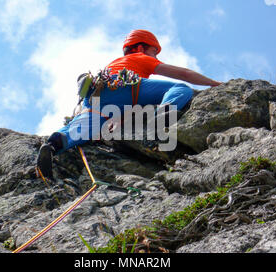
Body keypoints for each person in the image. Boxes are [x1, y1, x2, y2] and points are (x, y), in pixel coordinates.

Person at [37, 29, 221, 179]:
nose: (154, 56)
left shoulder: (113, 63)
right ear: (141, 47)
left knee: (81, 128)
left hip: (96, 96)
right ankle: (163, 111)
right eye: (153, 52)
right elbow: (184, 74)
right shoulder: (139, 58)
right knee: (180, 88)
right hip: (125, 86)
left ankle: (53, 146)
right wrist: (215, 84)